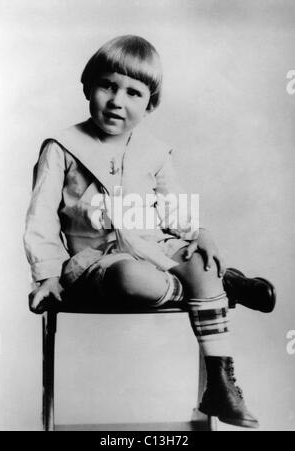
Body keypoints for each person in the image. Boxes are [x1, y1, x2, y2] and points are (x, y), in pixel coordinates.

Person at [24, 35, 275, 428]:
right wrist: (47, 274)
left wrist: (200, 231)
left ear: (149, 104)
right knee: (131, 277)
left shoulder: (154, 150)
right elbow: (41, 218)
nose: (117, 100)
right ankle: (218, 288)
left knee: (199, 260)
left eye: (133, 92)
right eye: (108, 85)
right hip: (99, 260)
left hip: (156, 247)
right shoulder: (63, 147)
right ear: (88, 85)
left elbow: (175, 208)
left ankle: (221, 385)